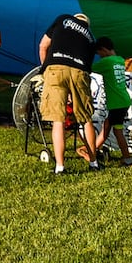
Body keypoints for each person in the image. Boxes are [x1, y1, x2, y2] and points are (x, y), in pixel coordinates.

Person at [37, 12, 99, 174]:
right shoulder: (91, 38)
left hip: (56, 67)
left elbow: (43, 45)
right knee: (86, 119)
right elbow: (87, 68)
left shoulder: (63, 19)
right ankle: (93, 163)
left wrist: (44, 70)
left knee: (58, 119)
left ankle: (60, 167)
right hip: (80, 71)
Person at [92, 37, 132, 166]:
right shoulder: (120, 60)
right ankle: (95, 149)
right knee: (107, 125)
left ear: (103, 50)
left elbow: (89, 68)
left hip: (116, 102)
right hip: (123, 100)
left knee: (117, 131)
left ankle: (127, 158)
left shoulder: (106, 62)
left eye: (99, 54)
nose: (99, 57)